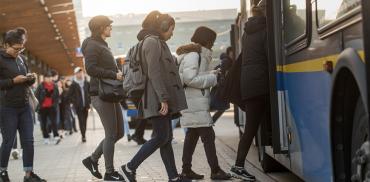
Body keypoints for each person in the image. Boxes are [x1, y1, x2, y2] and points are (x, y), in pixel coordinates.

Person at [119, 11, 188, 182]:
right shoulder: (151, 42)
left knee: (166, 137)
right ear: (163, 27)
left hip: (158, 97)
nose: (172, 32)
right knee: (161, 137)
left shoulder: (156, 42)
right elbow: (154, 73)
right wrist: (163, 98)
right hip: (155, 98)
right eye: (171, 28)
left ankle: (173, 176)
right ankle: (129, 167)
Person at [176, 26, 231, 180]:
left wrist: (213, 73)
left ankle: (186, 171)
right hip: (195, 103)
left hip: (194, 102)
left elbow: (196, 76)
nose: (213, 44)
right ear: (206, 40)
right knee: (208, 136)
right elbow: (189, 79)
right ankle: (215, 171)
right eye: (212, 41)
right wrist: (214, 79)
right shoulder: (194, 55)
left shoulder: (194, 54)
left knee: (192, 136)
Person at [81, 15, 125, 181]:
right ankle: (109, 172)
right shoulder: (93, 45)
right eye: (108, 26)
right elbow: (90, 69)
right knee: (111, 134)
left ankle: (92, 159)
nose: (111, 28)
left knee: (119, 132)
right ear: (101, 28)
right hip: (100, 94)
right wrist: (114, 74)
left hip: (110, 93)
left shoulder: (101, 44)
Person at [0, 27, 46, 182]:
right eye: (16, 49)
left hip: (25, 106)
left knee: (28, 141)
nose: (19, 51)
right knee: (8, 141)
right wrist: (13, 81)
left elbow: (26, 81)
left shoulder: (21, 58)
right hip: (7, 108)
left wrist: (30, 78)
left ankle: (28, 174)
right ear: (6, 45)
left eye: (21, 48)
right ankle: (2, 172)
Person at [229, 2, 267, 181]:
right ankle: (238, 166)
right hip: (260, 84)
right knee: (251, 127)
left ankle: (239, 165)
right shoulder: (265, 31)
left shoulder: (247, 32)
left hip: (250, 85)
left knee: (251, 126)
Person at [36, 71, 61, 145]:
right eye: (47, 77)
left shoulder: (55, 85)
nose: (49, 79)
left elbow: (57, 97)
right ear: (44, 78)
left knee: (54, 122)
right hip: (43, 108)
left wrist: (55, 104)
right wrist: (40, 104)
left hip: (52, 107)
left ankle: (56, 136)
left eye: (50, 77)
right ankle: (46, 137)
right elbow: (36, 96)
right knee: (43, 123)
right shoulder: (41, 86)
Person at [211, 46, 234, 123]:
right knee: (221, 106)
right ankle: (210, 122)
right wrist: (222, 83)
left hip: (222, 87)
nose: (233, 54)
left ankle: (211, 122)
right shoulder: (226, 61)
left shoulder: (226, 60)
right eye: (232, 52)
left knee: (222, 107)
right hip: (222, 87)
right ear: (229, 53)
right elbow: (222, 73)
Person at [69, 67, 91, 142]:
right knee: (81, 121)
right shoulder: (73, 84)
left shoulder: (86, 83)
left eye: (81, 72)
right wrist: (74, 102)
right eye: (78, 73)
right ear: (75, 74)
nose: (80, 74)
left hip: (86, 106)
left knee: (85, 121)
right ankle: (83, 135)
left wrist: (89, 102)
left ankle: (84, 133)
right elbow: (70, 95)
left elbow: (90, 93)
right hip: (78, 107)